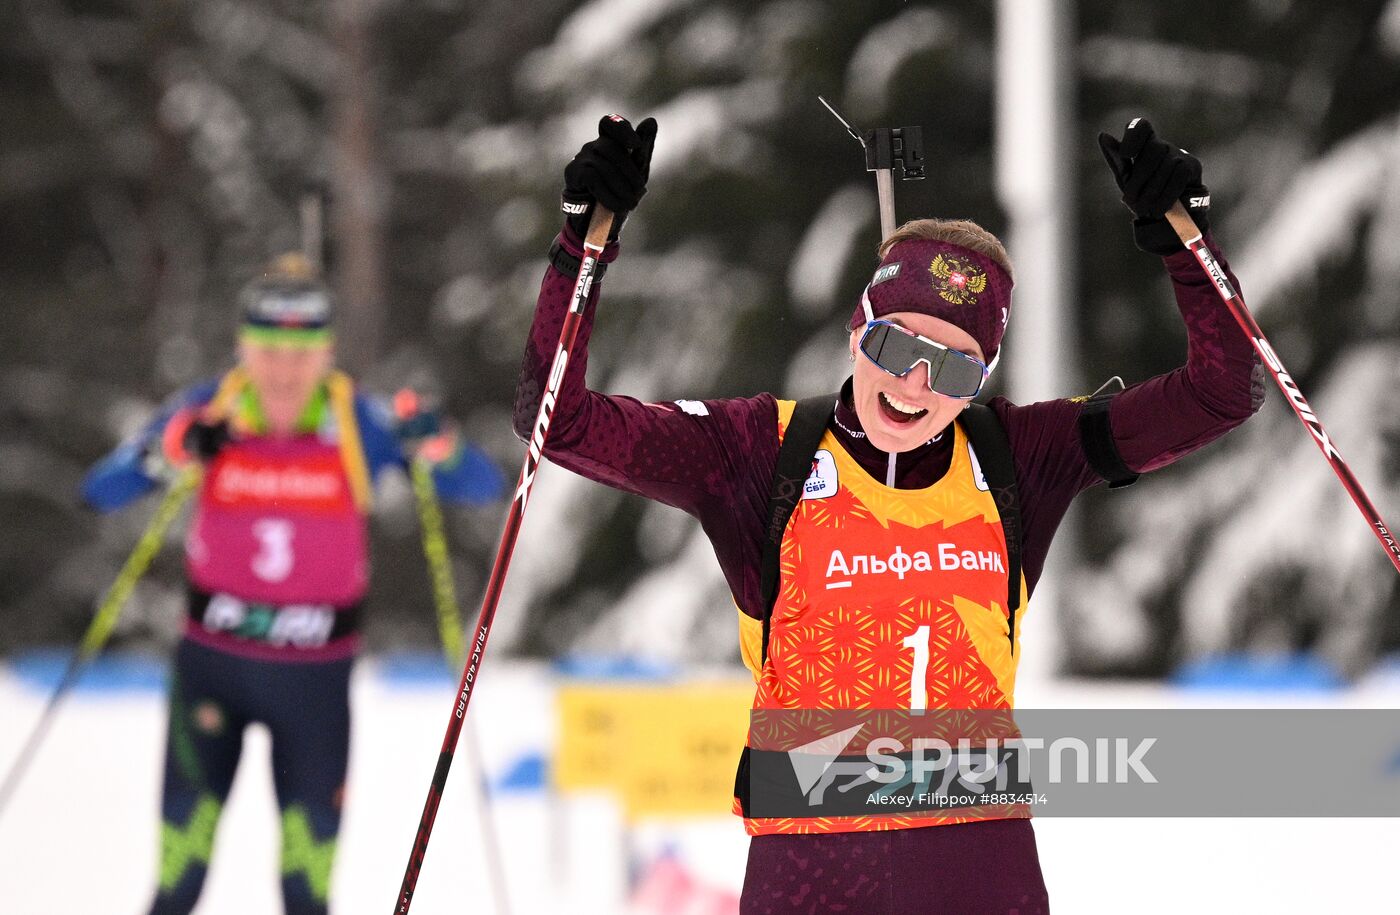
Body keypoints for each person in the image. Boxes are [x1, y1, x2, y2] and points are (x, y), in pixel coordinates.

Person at [514, 115, 1263, 913]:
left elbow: (1224, 391)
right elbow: (557, 420)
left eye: (953, 368)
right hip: (812, 870)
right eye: (897, 347)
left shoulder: (1019, 457)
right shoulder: (760, 452)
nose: (914, 387)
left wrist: (1189, 247)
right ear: (857, 331)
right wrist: (580, 253)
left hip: (977, 862)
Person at [82, 253, 504, 915]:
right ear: (243, 348)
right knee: (178, 883)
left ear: (326, 353)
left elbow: (483, 485)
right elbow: (101, 489)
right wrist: (170, 450)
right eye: (268, 350)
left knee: (306, 892)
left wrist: (438, 442)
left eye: (301, 353)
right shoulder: (210, 410)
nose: (284, 370)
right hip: (210, 674)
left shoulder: (358, 421)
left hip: (315, 686)